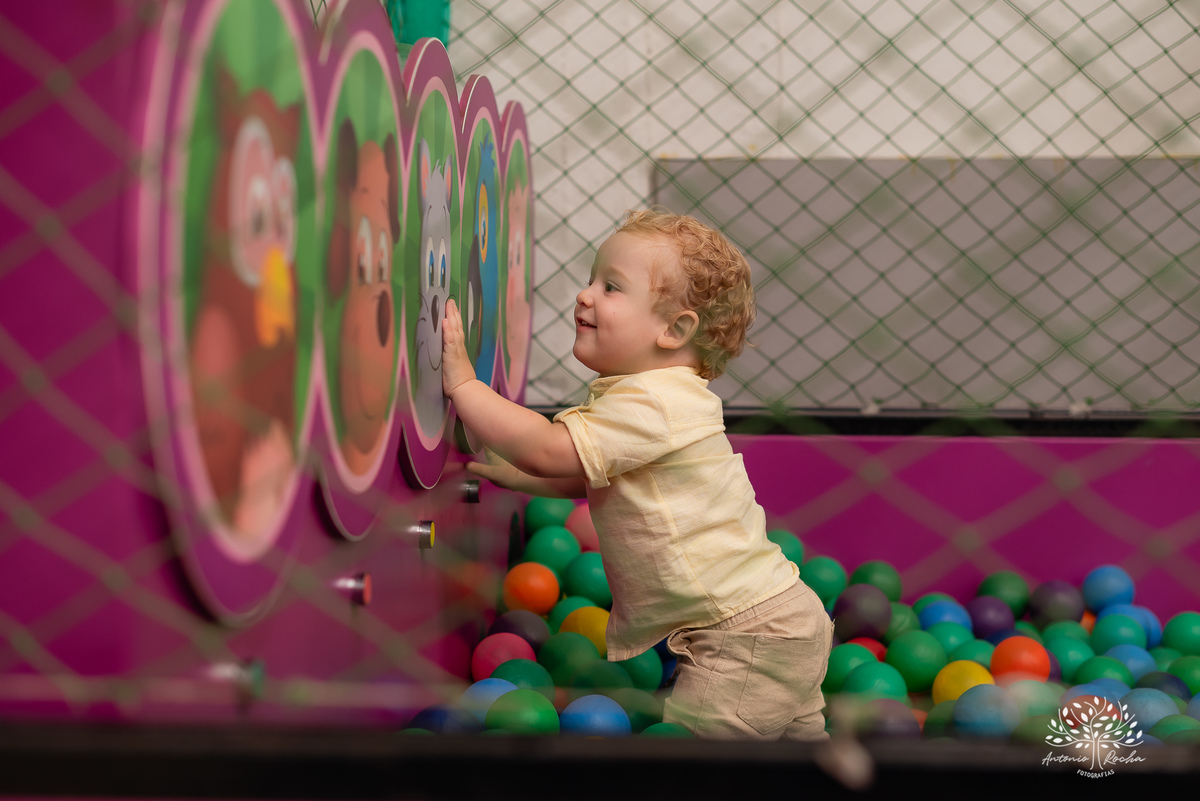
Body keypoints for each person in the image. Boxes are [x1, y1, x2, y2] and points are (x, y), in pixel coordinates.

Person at [441, 208, 832, 740]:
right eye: (591, 279)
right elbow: (592, 475)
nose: (585, 295)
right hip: (774, 624)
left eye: (611, 287)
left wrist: (464, 385)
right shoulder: (658, 399)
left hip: (743, 635)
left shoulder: (655, 401)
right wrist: (519, 477)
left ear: (674, 329)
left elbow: (550, 451)